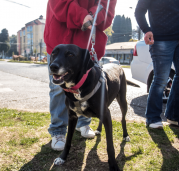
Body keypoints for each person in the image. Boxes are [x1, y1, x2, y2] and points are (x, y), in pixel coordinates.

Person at [44, 0, 116, 150]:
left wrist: (94, 14)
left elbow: (107, 9)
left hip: (86, 45)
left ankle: (83, 123)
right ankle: (58, 131)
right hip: (60, 36)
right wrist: (81, 15)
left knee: (89, 87)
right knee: (58, 88)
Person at [135, 0, 179, 128]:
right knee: (161, 78)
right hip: (161, 38)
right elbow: (139, 11)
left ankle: (175, 116)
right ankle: (152, 118)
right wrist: (146, 30)